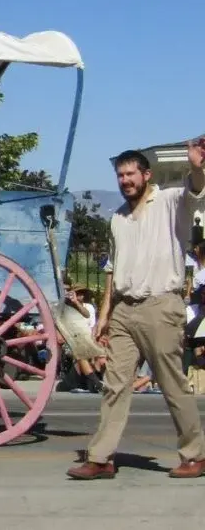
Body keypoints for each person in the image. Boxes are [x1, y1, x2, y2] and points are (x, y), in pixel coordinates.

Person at [67, 139, 205, 480]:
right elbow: (114, 271)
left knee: (172, 384)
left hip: (161, 305)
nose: (125, 180)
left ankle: (195, 455)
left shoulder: (171, 201)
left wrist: (198, 166)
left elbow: (196, 189)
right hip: (125, 311)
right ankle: (101, 458)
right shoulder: (118, 219)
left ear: (146, 175)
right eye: (120, 175)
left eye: (130, 174)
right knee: (115, 385)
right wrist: (106, 312)